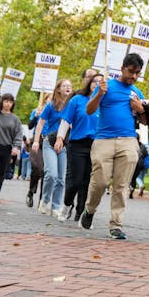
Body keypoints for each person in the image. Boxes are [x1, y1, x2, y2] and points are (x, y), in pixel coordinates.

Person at [79, 53, 148, 240]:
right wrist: (99, 94)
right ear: (122, 68)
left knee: (122, 185)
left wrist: (141, 109)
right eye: (131, 72)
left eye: (137, 73)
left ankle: (116, 225)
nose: (133, 76)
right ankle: (89, 209)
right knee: (100, 181)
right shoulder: (106, 86)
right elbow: (89, 110)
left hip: (128, 140)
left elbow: (145, 120)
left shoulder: (137, 92)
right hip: (104, 140)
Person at [55, 71, 101, 221]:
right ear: (89, 84)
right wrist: (60, 138)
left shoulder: (105, 102)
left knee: (88, 182)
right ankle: (67, 205)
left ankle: (81, 213)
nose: (98, 84)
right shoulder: (77, 100)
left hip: (96, 145)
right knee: (75, 180)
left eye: (101, 82)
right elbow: (66, 120)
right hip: (77, 144)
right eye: (95, 81)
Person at [32, 78, 74, 217]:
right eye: (65, 86)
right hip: (49, 142)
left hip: (64, 144)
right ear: (59, 89)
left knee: (61, 178)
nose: (68, 88)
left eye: (70, 86)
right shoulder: (51, 105)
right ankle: (45, 200)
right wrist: (36, 141)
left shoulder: (72, 106)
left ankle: (55, 207)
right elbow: (40, 124)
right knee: (51, 174)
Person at [0, 93, 24, 209]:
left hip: (7, 149)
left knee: (1, 174)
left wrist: (16, 147)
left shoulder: (15, 119)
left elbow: (18, 134)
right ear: (1, 102)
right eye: (5, 101)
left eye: (10, 102)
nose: (7, 104)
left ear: (12, 104)